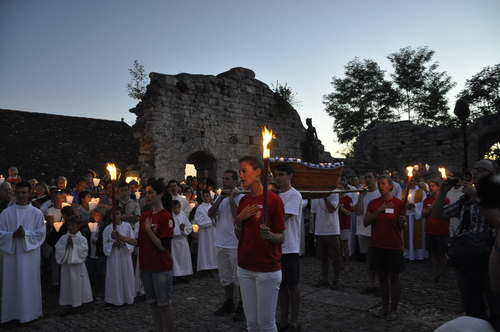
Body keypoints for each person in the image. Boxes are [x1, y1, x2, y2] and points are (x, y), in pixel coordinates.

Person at [432, 159, 500, 328]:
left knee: (497, 308)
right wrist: (442, 192)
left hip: (489, 260)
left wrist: (477, 197)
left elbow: (497, 221)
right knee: (472, 309)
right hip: (465, 260)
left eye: (481, 170)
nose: (475, 172)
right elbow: (437, 214)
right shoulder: (465, 199)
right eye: (474, 169)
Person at [112, 180, 175, 332]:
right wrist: (121, 237)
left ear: (160, 195)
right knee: (152, 304)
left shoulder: (166, 217)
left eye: (151, 192)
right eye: (146, 192)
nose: (147, 195)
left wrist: (148, 230)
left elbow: (162, 246)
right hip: (145, 266)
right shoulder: (145, 215)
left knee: (164, 304)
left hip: (160, 267)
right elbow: (140, 242)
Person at [234, 155, 285, 332]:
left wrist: (270, 236)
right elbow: (238, 236)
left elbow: (282, 237)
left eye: (244, 171)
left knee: (266, 324)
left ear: (257, 172)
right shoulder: (243, 201)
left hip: (267, 269)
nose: (240, 175)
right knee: (252, 324)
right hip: (245, 267)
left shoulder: (274, 201)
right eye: (239, 171)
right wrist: (239, 220)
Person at [0, 181, 46, 323]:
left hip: (29, 256)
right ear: (14, 193)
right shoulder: (6, 213)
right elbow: (0, 233)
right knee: (12, 283)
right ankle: (11, 314)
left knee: (29, 282)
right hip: (11, 256)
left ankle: (30, 313)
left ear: (29, 194)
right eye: (18, 192)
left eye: (23, 192)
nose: (20, 195)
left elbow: (40, 234)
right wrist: (11, 235)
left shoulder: (36, 213)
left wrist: (25, 234)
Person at [363, 175, 406, 321]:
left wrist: (403, 223)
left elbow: (402, 226)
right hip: (377, 244)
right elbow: (366, 222)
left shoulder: (398, 203)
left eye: (383, 184)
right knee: (382, 276)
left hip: (393, 245)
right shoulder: (374, 203)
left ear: (390, 186)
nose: (381, 186)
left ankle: (393, 309)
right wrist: (379, 210)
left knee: (394, 277)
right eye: (379, 184)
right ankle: (384, 307)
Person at [207, 170, 244, 321]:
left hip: (235, 243)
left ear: (235, 181)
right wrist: (220, 199)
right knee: (225, 277)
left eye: (227, 179)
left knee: (239, 277)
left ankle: (242, 305)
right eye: (223, 178)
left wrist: (231, 199)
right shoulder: (219, 197)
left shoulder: (241, 197)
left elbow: (237, 217)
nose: (224, 181)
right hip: (221, 242)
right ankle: (229, 302)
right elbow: (210, 214)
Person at [274, 162, 303, 332]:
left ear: (290, 176)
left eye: (281, 175)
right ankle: (283, 319)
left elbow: (282, 219)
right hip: (276, 246)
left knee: (292, 284)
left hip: (289, 246)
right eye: (276, 175)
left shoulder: (294, 195)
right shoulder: (276, 196)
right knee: (281, 285)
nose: (278, 178)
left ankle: (294, 321)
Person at [55, 215, 93, 314]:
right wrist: (66, 246)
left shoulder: (82, 239)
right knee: (67, 285)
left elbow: (84, 251)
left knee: (79, 285)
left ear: (78, 226)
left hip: (77, 267)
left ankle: (80, 304)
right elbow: (58, 248)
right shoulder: (64, 238)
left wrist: (73, 246)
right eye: (69, 225)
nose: (70, 227)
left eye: (73, 225)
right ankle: (68, 304)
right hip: (67, 267)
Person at [103, 207, 135, 308]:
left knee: (126, 275)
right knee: (114, 276)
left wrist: (125, 243)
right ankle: (113, 299)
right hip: (114, 256)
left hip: (125, 255)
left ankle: (127, 297)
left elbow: (132, 240)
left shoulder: (127, 226)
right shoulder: (107, 229)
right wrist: (113, 245)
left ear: (121, 215)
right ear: (110, 216)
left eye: (117, 213)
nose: (115, 216)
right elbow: (104, 244)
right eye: (113, 214)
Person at [354, 170, 381, 294]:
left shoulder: (379, 193)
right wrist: (361, 196)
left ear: (375, 179)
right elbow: (358, 212)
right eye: (365, 177)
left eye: (370, 177)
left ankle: (382, 285)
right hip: (364, 231)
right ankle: (371, 284)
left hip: (377, 231)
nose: (367, 180)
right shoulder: (363, 194)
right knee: (368, 259)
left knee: (379, 259)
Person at [310, 191, 341, 289]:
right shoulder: (315, 197)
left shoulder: (334, 194)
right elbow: (314, 213)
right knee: (322, 257)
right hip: (320, 230)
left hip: (332, 230)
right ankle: (325, 278)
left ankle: (336, 280)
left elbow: (331, 209)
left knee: (335, 256)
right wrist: (315, 230)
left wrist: (325, 198)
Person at [421, 179, 450, 282]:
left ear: (438, 187)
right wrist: (431, 208)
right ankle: (436, 274)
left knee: (442, 253)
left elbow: (448, 214)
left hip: (441, 230)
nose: (431, 187)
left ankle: (443, 275)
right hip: (430, 230)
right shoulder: (427, 200)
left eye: (433, 185)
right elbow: (423, 214)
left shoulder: (445, 200)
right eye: (429, 185)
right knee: (433, 253)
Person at [87, 205, 109, 304]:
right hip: (91, 253)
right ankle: (92, 291)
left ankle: (101, 292)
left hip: (100, 253)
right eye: (94, 214)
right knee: (91, 273)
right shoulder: (91, 225)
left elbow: (107, 240)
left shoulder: (104, 227)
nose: (95, 216)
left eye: (98, 214)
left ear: (102, 215)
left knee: (101, 274)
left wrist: (98, 242)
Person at [402, 176, 427, 261]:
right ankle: (408, 255)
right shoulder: (403, 192)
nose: (411, 182)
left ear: (416, 182)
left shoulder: (421, 192)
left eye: (412, 181)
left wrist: (415, 205)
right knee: (407, 235)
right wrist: (405, 206)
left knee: (417, 234)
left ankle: (419, 256)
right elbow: (399, 203)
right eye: (409, 181)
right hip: (406, 216)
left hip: (417, 217)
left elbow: (424, 203)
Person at [194, 190, 218, 275]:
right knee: (205, 249)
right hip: (204, 233)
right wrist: (211, 218)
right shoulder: (200, 208)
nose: (205, 198)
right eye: (203, 196)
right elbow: (199, 221)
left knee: (213, 248)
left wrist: (215, 219)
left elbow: (218, 219)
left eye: (207, 196)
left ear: (210, 197)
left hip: (213, 231)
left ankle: (214, 266)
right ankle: (205, 267)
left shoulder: (213, 207)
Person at [171, 200, 193, 281]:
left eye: (178, 208)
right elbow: (170, 230)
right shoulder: (170, 218)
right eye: (174, 208)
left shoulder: (183, 217)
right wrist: (179, 230)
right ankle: (175, 275)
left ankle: (184, 274)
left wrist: (183, 230)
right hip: (174, 242)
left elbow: (189, 227)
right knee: (175, 258)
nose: (177, 210)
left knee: (184, 258)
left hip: (183, 241)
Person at [337, 181, 354, 272]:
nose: (339, 189)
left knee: (345, 245)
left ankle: (347, 263)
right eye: (338, 187)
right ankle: (340, 263)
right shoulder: (336, 198)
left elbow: (349, 213)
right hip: (337, 224)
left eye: (341, 187)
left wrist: (341, 207)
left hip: (344, 225)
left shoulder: (348, 199)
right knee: (338, 245)